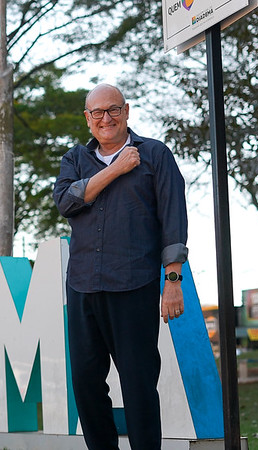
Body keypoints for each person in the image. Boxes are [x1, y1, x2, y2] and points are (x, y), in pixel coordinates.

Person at [53, 83, 188, 449]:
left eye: (113, 110)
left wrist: (172, 281)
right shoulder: (74, 160)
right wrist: (114, 170)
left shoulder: (155, 155)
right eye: (97, 112)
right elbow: (65, 202)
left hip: (134, 285)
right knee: (84, 381)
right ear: (88, 119)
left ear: (126, 111)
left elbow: (173, 220)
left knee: (139, 382)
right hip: (82, 286)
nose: (106, 118)